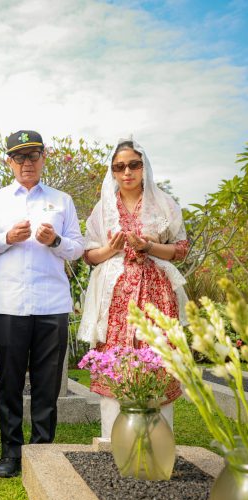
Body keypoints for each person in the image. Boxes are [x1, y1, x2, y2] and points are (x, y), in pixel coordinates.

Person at [0, 130, 84, 478]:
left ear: (44, 157)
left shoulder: (62, 200)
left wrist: (56, 240)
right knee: (10, 380)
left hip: (52, 302)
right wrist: (6, 238)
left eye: (33, 155)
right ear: (9, 162)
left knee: (48, 383)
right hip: (9, 303)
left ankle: (44, 450)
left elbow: (78, 247)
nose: (27, 163)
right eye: (19, 157)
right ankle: (11, 451)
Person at [79, 138, 188, 438]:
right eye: (119, 167)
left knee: (158, 359)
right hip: (115, 297)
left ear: (144, 167)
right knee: (115, 359)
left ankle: (157, 443)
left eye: (133, 165)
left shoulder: (164, 203)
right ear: (112, 172)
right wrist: (110, 250)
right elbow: (89, 255)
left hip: (156, 294)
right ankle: (114, 442)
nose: (127, 172)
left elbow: (180, 249)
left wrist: (149, 246)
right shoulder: (103, 210)